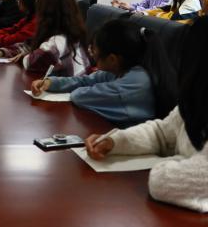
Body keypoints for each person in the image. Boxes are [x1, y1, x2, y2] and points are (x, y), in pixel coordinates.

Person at [85, 17, 208, 213]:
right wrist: (115, 141)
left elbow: (163, 182)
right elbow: (161, 132)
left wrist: (172, 161)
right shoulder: (196, 101)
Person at [31, 19, 177, 127]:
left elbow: (80, 96)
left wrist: (82, 88)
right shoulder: (121, 68)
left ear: (112, 59)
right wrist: (51, 83)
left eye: (94, 50)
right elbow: (85, 81)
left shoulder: (135, 82)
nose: (91, 53)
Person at [0, 0, 89, 76]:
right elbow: (27, 46)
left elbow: (32, 63)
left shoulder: (59, 41)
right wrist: (2, 52)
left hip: (69, 91)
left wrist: (24, 56)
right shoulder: (69, 31)